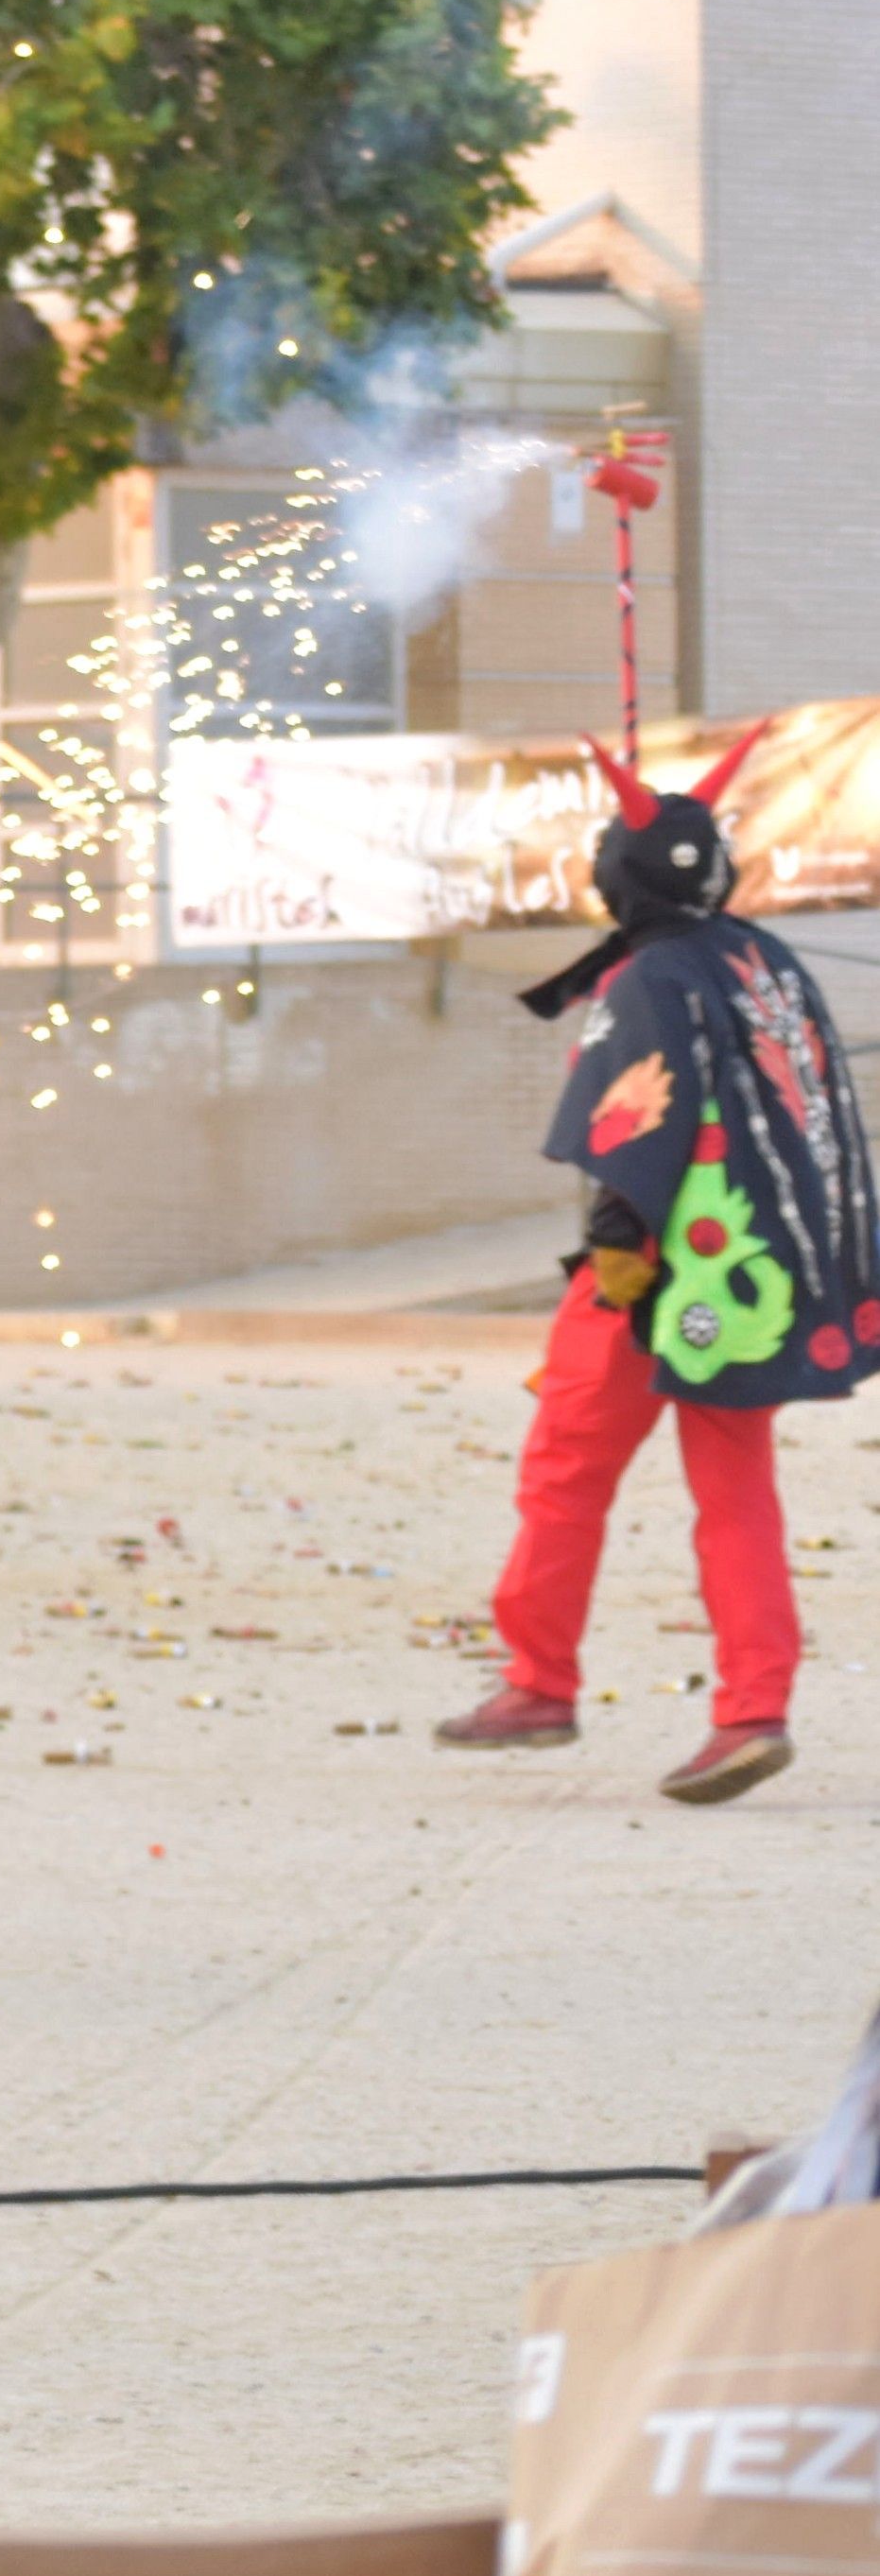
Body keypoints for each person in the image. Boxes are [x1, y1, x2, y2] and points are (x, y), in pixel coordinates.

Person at [440, 725, 879, 1807]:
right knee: (735, 1491)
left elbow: (636, 1120)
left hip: (647, 1277)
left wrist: (615, 1246)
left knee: (563, 1473)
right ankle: (750, 1709)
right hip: (749, 1280)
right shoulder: (760, 959)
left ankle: (538, 1682)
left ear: (619, 880)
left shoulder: (646, 978)